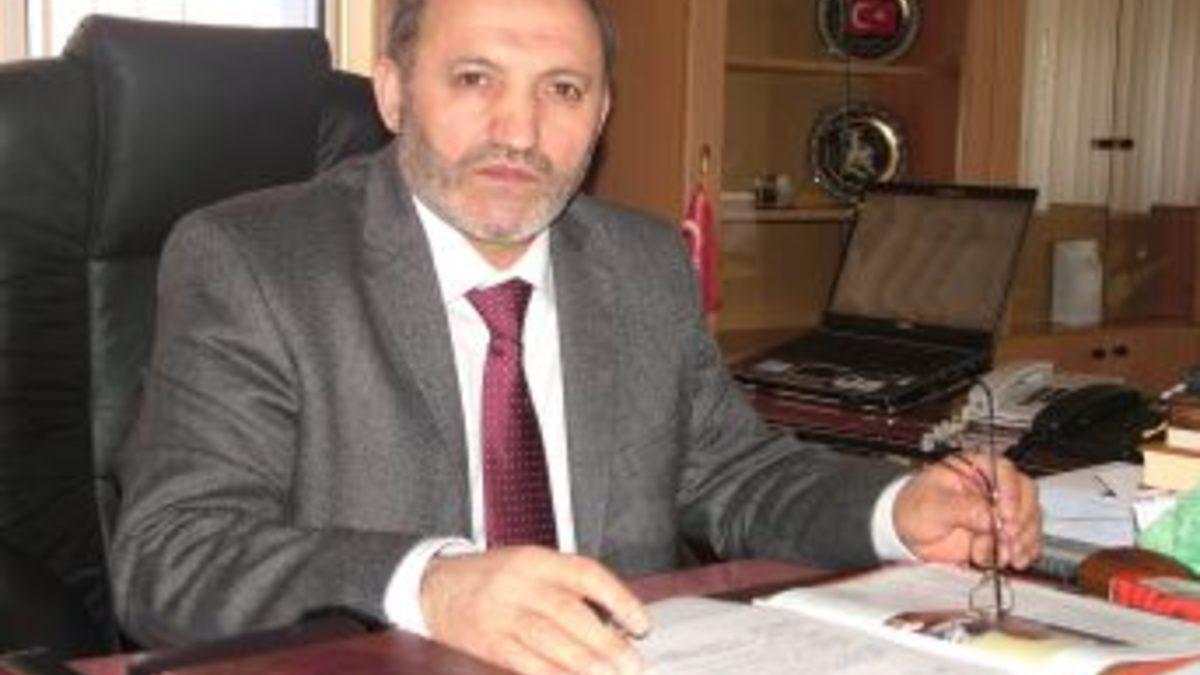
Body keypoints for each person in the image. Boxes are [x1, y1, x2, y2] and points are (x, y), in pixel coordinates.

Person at [110, 0, 1042, 673]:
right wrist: (431, 584)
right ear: (393, 93)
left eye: (562, 89)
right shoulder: (256, 262)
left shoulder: (643, 265)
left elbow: (737, 475)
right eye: (475, 79)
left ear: (600, 116)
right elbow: (171, 555)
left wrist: (899, 508)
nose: (518, 130)